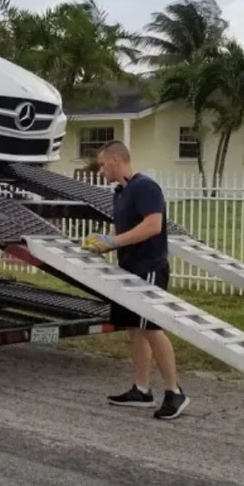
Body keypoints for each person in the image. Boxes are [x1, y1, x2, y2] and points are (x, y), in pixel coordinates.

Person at [83, 140, 190, 420]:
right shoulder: (121, 192)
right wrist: (103, 243)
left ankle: (175, 391)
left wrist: (114, 241)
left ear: (117, 160)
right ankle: (141, 390)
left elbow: (153, 225)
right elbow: (124, 229)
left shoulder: (145, 187)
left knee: (152, 328)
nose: (102, 169)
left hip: (149, 268)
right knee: (134, 329)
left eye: (103, 164)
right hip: (128, 268)